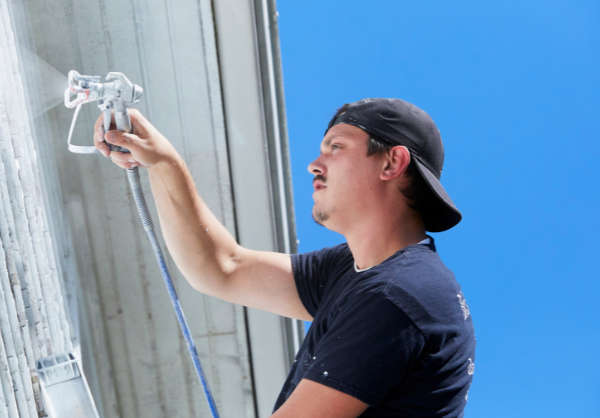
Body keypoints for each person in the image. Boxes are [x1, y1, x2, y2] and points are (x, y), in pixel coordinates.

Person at [92, 98, 475, 417]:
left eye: (336, 147)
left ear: (392, 163)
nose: (314, 164)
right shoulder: (356, 270)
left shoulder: (399, 294)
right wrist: (163, 163)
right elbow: (224, 268)